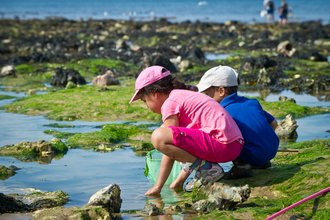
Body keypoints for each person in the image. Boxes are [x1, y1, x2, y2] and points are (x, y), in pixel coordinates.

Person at [129, 66, 244, 195]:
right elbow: (185, 149)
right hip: (233, 146)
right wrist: (179, 181)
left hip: (222, 145)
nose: (147, 106)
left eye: (145, 101)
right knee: (166, 133)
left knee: (159, 136)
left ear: (154, 94)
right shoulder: (181, 96)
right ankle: (208, 169)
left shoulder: (170, 102)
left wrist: (158, 186)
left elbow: (169, 149)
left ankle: (208, 169)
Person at [196, 65, 279, 179]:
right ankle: (262, 161)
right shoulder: (252, 102)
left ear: (221, 91)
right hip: (272, 150)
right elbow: (273, 123)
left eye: (208, 94)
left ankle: (242, 166)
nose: (207, 98)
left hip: (252, 155)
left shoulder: (221, 112)